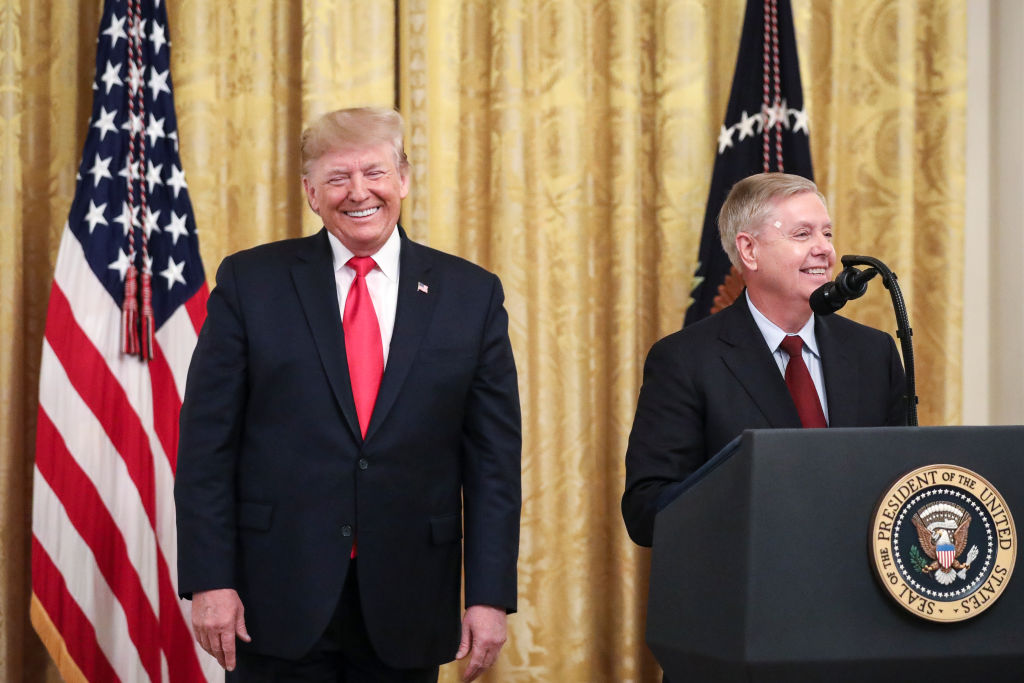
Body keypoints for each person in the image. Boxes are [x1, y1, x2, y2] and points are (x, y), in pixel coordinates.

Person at [175, 107, 522, 681]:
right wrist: (210, 579)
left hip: (408, 599)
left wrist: (488, 595)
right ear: (311, 192)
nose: (359, 192)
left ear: (403, 179)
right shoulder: (250, 283)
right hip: (273, 597)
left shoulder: (471, 295)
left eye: (375, 172)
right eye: (337, 178)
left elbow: (493, 463)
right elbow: (206, 445)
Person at [622, 172, 907, 547]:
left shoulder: (874, 353)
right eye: (802, 234)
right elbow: (647, 511)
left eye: (827, 233)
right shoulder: (685, 360)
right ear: (749, 250)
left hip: (860, 591)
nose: (824, 249)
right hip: (749, 592)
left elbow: (904, 481)